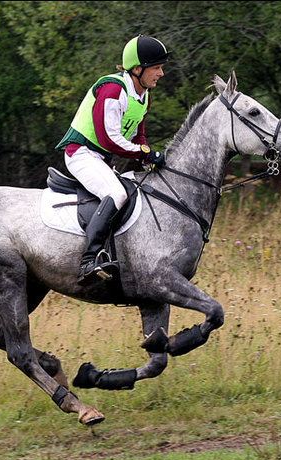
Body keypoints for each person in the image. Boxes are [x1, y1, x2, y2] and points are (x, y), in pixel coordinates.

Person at [56, 35, 170, 284]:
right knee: (117, 194)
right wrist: (145, 153)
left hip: (102, 159)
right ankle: (88, 261)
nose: (161, 73)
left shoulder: (144, 95)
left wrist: (146, 155)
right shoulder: (113, 89)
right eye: (157, 68)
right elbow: (108, 138)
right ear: (137, 69)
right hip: (81, 153)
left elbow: (138, 134)